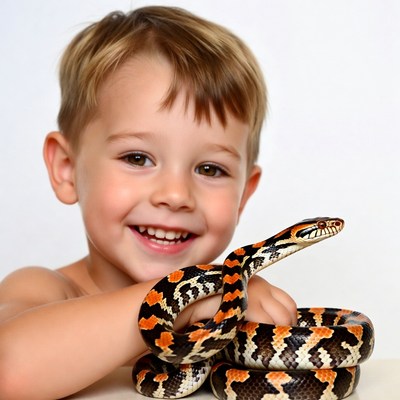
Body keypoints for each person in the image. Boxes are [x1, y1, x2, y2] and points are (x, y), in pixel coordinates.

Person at [0, 6, 296, 399]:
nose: (175, 196)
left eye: (210, 169)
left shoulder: (235, 310)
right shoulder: (43, 289)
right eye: (137, 158)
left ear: (244, 194)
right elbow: (9, 370)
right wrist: (185, 301)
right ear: (67, 169)